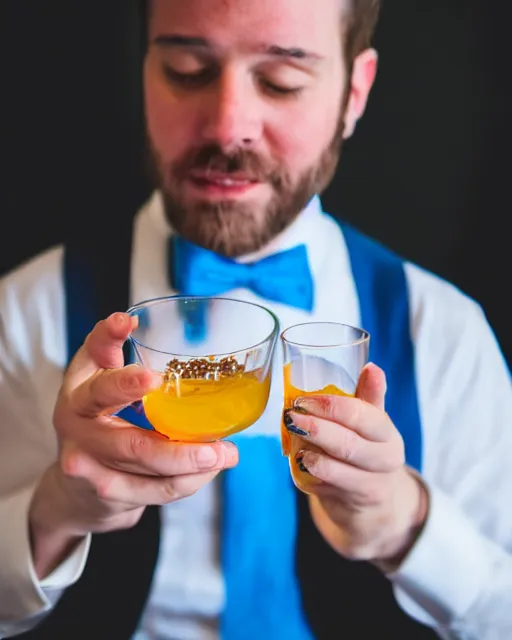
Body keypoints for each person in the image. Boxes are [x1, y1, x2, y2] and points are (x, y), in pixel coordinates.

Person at [0, 0, 510, 638]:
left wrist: (406, 524)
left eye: (281, 82)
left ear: (355, 91)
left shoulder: (445, 332)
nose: (226, 127)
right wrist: (52, 516)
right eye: (187, 70)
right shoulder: (26, 311)